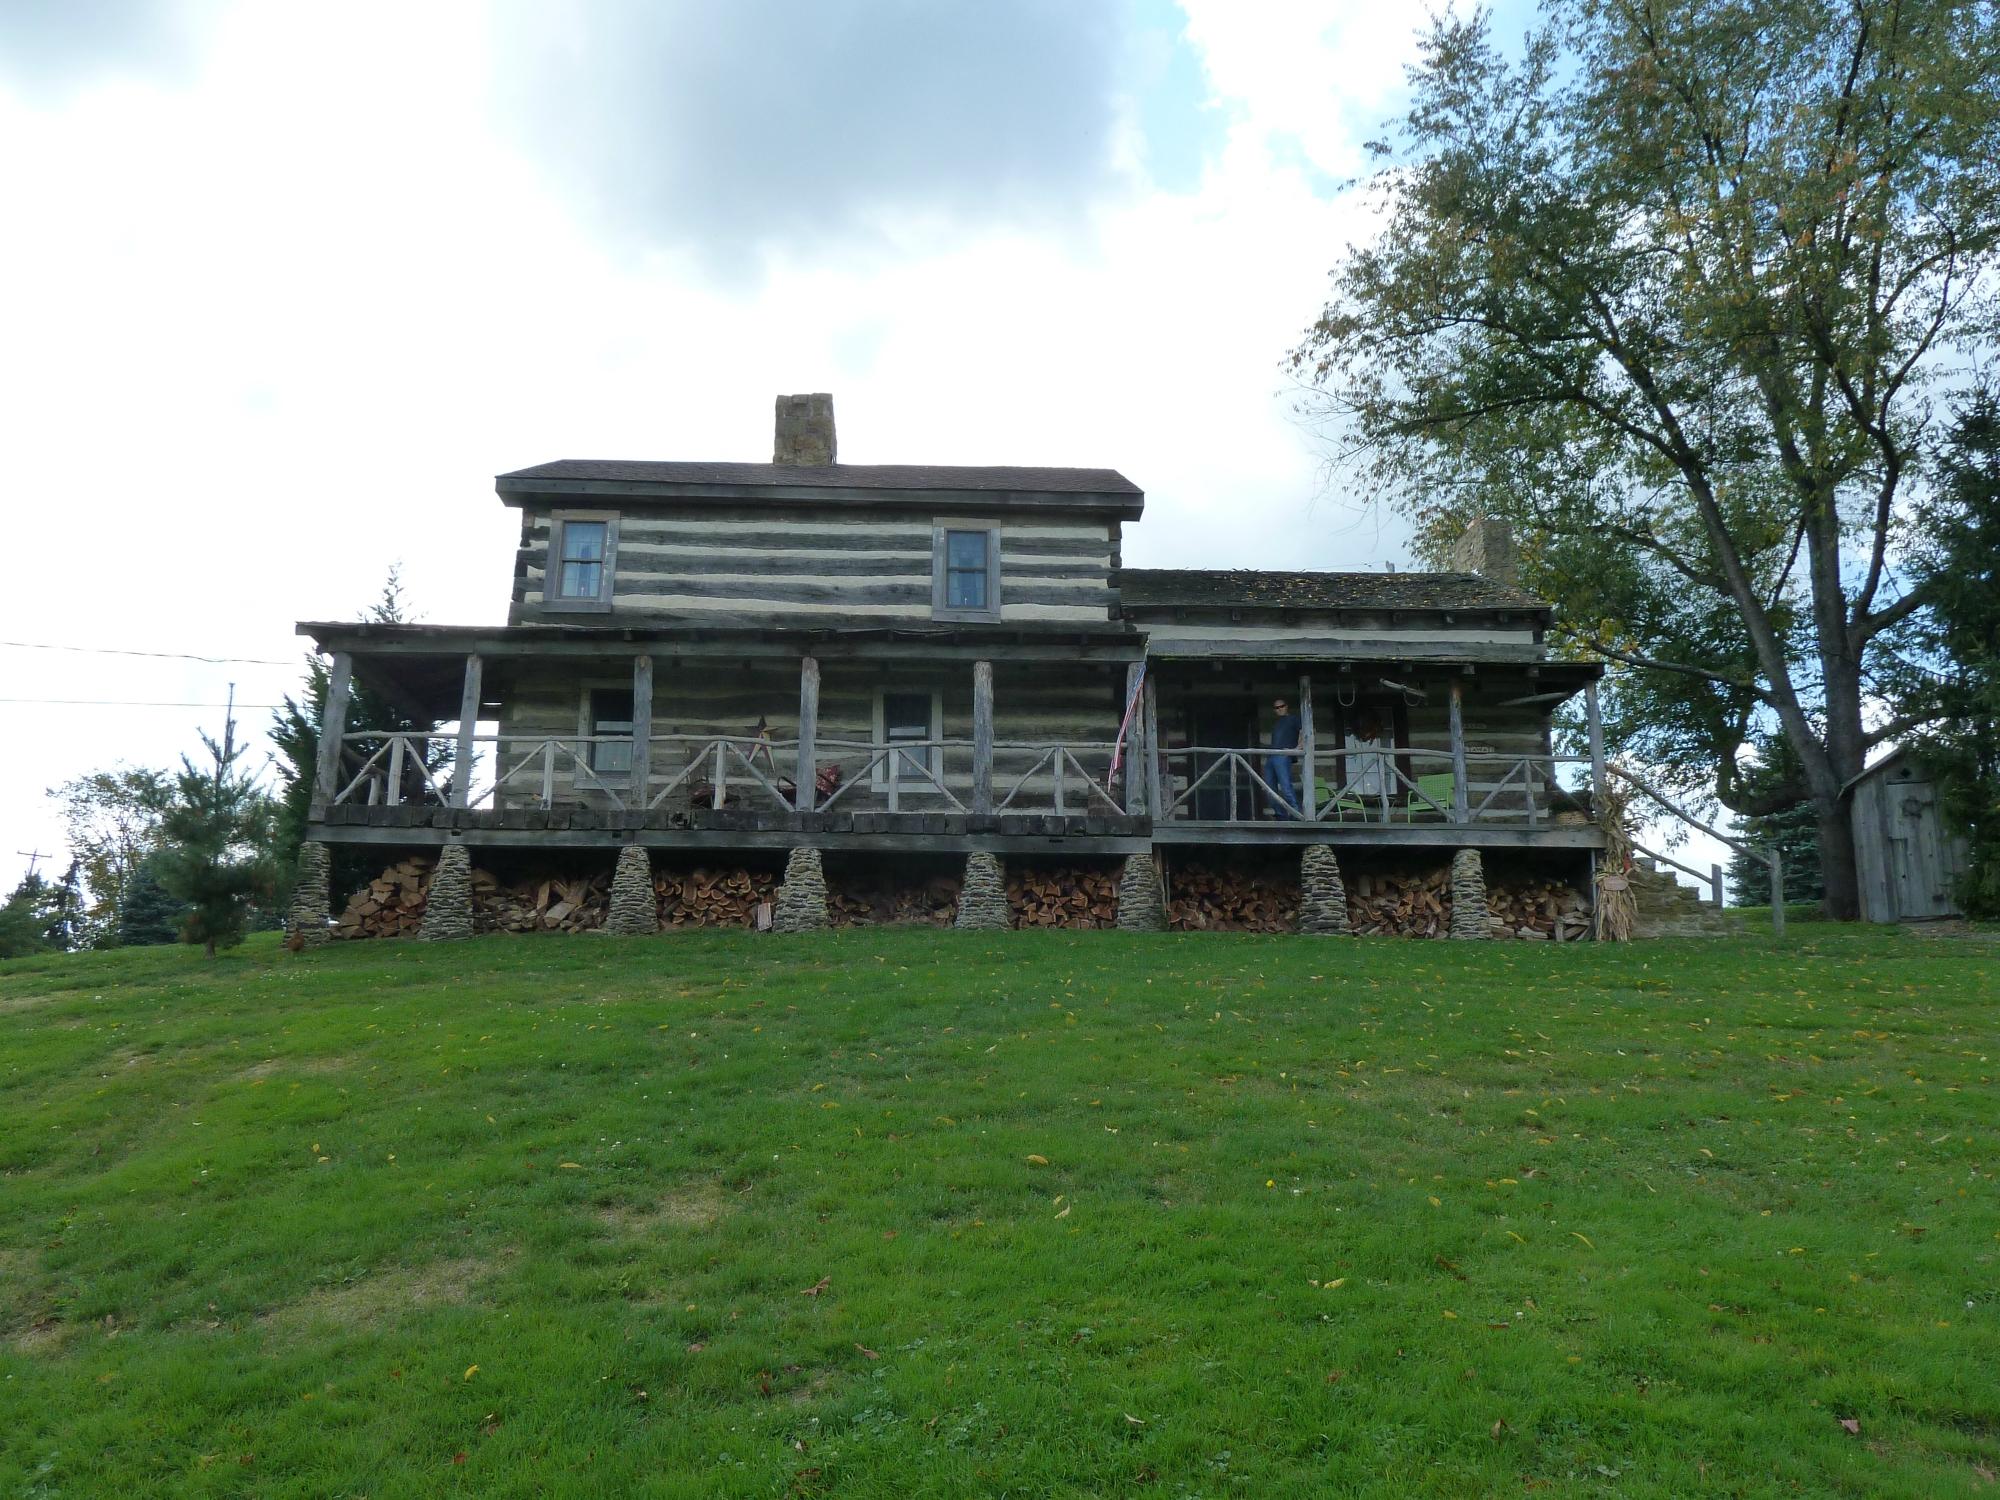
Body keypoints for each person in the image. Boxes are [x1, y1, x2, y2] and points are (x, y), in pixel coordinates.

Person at [1265, 696, 1301, 817]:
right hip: (1271, 757)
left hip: (1283, 757)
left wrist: (1297, 748)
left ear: (1286, 707)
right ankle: (1280, 815)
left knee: (1286, 788)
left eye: (1282, 706)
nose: (1279, 709)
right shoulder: (1277, 723)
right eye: (1276, 707)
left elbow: (1308, 732)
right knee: (1269, 790)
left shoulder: (1294, 719)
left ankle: (1296, 815)